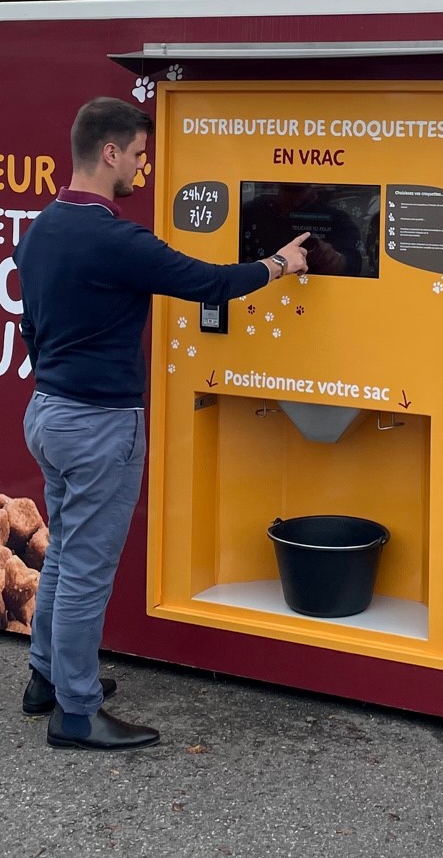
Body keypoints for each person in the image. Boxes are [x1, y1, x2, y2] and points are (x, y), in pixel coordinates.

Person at [15, 97, 310, 750]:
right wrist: (282, 264)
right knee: (86, 569)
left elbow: (30, 326)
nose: (144, 170)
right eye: (141, 156)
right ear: (110, 152)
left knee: (64, 549)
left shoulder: (40, 229)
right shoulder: (115, 240)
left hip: (48, 414)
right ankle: (77, 713)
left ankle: (48, 679)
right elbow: (209, 283)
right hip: (99, 427)